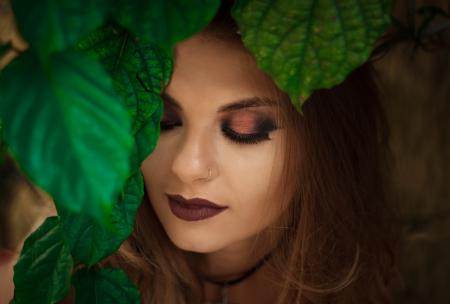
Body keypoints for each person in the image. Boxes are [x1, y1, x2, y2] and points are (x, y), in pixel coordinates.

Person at [105, 2, 400, 304]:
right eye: (163, 120)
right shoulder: (81, 280)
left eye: (244, 130)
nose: (186, 166)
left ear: (325, 146)